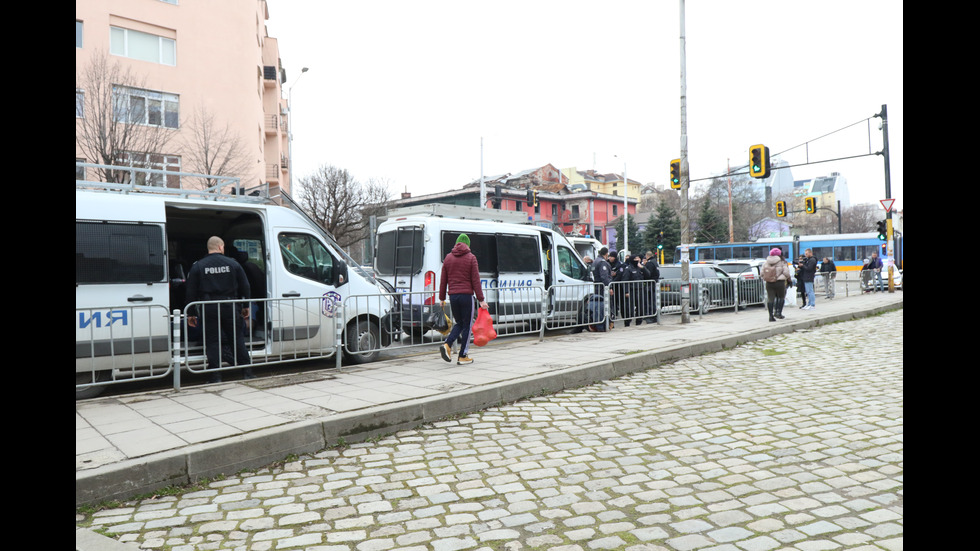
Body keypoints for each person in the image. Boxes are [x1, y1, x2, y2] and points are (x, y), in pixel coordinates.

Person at [185, 236, 254, 382]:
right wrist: (246, 306)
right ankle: (247, 372)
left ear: (209, 248)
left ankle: (216, 376)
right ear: (221, 247)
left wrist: (191, 314)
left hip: (209, 307)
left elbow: (190, 291)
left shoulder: (198, 265)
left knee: (212, 341)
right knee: (236, 339)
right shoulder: (233, 264)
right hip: (230, 306)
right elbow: (245, 286)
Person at [438, 233, 488, 365]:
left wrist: (441, 298)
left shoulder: (448, 258)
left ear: (457, 243)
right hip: (466, 296)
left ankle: (447, 345)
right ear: (468, 245)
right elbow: (475, 280)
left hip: (453, 296)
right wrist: (481, 299)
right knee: (466, 325)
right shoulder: (471, 258)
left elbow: (443, 280)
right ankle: (463, 355)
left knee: (459, 323)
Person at [761, 248, 791, 321]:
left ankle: (770, 316)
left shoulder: (766, 262)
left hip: (769, 283)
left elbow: (762, 273)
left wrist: (767, 278)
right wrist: (784, 277)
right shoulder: (782, 262)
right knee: (781, 297)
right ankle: (778, 312)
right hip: (779, 282)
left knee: (770, 299)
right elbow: (786, 272)